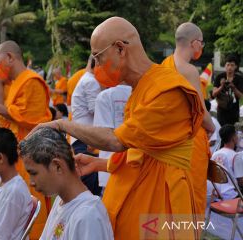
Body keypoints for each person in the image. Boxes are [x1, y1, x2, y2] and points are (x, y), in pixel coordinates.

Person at [29, 17, 204, 239]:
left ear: (120, 49)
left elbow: (117, 140)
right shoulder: (142, 87)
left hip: (162, 202)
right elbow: (142, 150)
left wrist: (62, 124)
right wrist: (100, 164)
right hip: (134, 193)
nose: (97, 66)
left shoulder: (168, 90)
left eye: (98, 57)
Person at [0, 40, 52, 239]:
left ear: (10, 57)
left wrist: (0, 109)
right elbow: (11, 123)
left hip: (31, 154)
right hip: (15, 152)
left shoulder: (32, 80)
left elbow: (35, 121)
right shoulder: (16, 83)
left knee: (30, 202)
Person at [20, 127, 114, 240]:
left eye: (34, 173)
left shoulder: (88, 216)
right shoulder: (61, 201)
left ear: (57, 166)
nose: (31, 182)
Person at [161, 22, 215, 217]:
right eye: (201, 43)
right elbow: (201, 112)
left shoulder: (163, 67)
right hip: (190, 144)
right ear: (194, 43)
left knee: (170, 197)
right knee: (192, 198)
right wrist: (212, 128)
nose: (201, 47)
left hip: (169, 141)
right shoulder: (189, 70)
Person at [71, 56, 102, 195]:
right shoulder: (91, 81)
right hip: (86, 140)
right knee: (91, 186)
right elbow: (97, 111)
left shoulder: (86, 79)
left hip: (81, 138)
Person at [93, 84, 131, 192]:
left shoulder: (105, 96)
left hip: (110, 166)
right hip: (137, 164)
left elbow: (101, 135)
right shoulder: (144, 94)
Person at [209, 124, 238, 200]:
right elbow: (240, 180)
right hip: (231, 195)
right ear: (233, 138)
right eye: (236, 134)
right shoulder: (236, 156)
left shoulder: (215, 154)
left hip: (216, 194)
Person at [212, 55, 243, 126]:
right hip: (221, 110)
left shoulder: (239, 79)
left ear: (236, 67)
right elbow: (214, 94)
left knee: (231, 132)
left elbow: (241, 96)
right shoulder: (219, 77)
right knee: (222, 131)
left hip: (234, 111)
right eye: (228, 65)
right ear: (225, 66)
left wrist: (233, 88)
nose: (229, 67)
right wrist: (222, 86)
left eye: (232, 65)